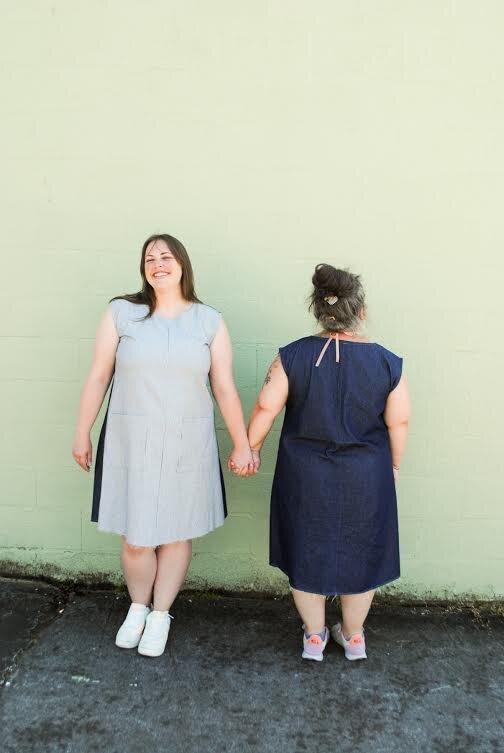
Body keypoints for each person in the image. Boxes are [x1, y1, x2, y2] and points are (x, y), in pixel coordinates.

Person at [72, 233, 253, 657]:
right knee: (136, 536)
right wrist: (82, 430)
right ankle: (138, 606)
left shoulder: (209, 321)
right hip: (129, 440)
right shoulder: (122, 313)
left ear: (182, 265)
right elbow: (99, 375)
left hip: (187, 442)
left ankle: (160, 614)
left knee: (175, 531)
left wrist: (243, 444)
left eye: (166, 256)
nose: (157, 264)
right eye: (149, 258)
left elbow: (224, 388)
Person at [246, 263, 410, 662]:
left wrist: (250, 448)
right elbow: (399, 421)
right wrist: (394, 466)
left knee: (306, 551)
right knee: (363, 554)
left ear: (319, 311)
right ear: (362, 312)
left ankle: (315, 636)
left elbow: (267, 408)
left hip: (305, 478)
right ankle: (353, 637)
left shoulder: (292, 356)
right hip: (367, 477)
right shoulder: (388, 363)